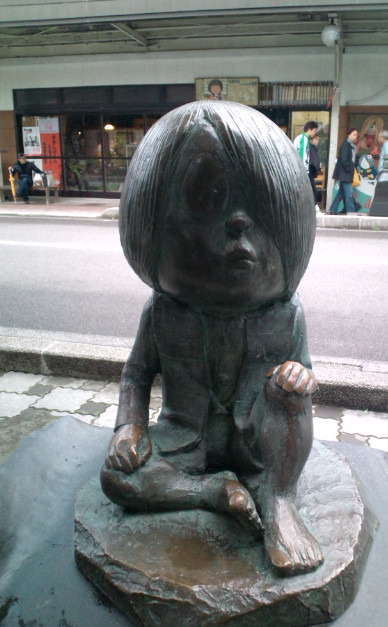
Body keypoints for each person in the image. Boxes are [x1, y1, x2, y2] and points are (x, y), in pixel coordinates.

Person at [100, 101, 323, 577]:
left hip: (257, 440)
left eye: (258, 211)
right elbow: (136, 375)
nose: (238, 223)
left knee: (289, 397)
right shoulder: (163, 311)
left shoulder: (285, 314)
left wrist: (298, 379)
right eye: (209, 202)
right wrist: (128, 427)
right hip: (184, 439)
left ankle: (279, 500)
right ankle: (212, 492)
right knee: (116, 479)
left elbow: (304, 373)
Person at [329, 128, 358, 215]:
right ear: (348, 135)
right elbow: (344, 159)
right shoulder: (346, 145)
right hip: (345, 173)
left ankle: (333, 209)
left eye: (356, 135)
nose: (355, 137)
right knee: (349, 193)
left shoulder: (351, 145)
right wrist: (350, 168)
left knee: (341, 193)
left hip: (345, 173)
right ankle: (351, 211)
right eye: (353, 134)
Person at [308, 132, 322, 209]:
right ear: (311, 140)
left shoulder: (313, 148)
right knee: (313, 190)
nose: (317, 141)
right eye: (316, 139)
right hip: (310, 171)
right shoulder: (311, 148)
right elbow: (313, 161)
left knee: (313, 189)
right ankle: (313, 206)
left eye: (318, 140)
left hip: (311, 171)